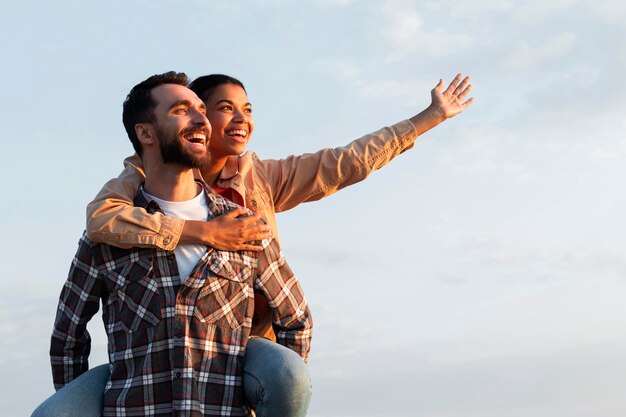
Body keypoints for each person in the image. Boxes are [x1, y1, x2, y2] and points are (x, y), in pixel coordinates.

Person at [33, 72, 312, 417]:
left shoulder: (244, 226)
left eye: (200, 109)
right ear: (145, 132)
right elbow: (67, 336)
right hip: (134, 408)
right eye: (182, 110)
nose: (202, 119)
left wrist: (260, 398)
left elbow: (296, 320)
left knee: (289, 371)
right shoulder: (108, 235)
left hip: (221, 408)